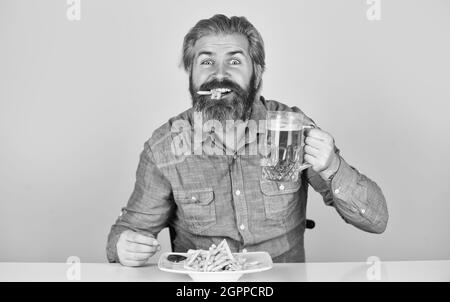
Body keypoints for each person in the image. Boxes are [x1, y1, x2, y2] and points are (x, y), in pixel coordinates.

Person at [106, 14, 388, 266]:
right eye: (206, 62)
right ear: (190, 74)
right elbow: (128, 230)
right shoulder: (164, 146)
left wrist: (332, 167)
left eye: (234, 61)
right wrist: (124, 246)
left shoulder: (292, 128)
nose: (219, 74)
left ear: (258, 72)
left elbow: (377, 221)